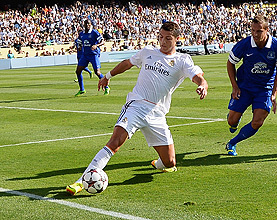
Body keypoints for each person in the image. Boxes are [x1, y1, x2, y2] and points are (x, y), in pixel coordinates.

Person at [66, 21, 208, 195]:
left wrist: (202, 85)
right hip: (137, 105)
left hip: (157, 113)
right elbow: (127, 63)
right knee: (115, 142)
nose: (162, 42)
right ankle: (82, 181)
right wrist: (108, 76)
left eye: (168, 39)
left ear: (177, 39)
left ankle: (158, 163)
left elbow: (198, 76)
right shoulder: (148, 52)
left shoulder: (182, 60)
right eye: (161, 37)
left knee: (170, 162)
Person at [226, 14, 277, 156]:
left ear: (267, 30)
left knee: (257, 122)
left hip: (264, 89)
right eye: (252, 30)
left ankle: (232, 143)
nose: (255, 34)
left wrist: (274, 93)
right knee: (231, 121)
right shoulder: (244, 44)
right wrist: (235, 87)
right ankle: (234, 119)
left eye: (259, 31)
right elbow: (230, 64)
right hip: (245, 87)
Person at [74, 19, 110, 96]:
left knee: (97, 72)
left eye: (89, 24)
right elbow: (80, 42)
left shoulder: (94, 33)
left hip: (93, 54)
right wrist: (79, 47)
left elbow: (102, 41)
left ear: (91, 24)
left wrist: (96, 45)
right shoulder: (82, 34)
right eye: (86, 24)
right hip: (85, 55)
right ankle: (82, 89)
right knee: (78, 71)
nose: (87, 25)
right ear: (83, 25)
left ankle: (107, 87)